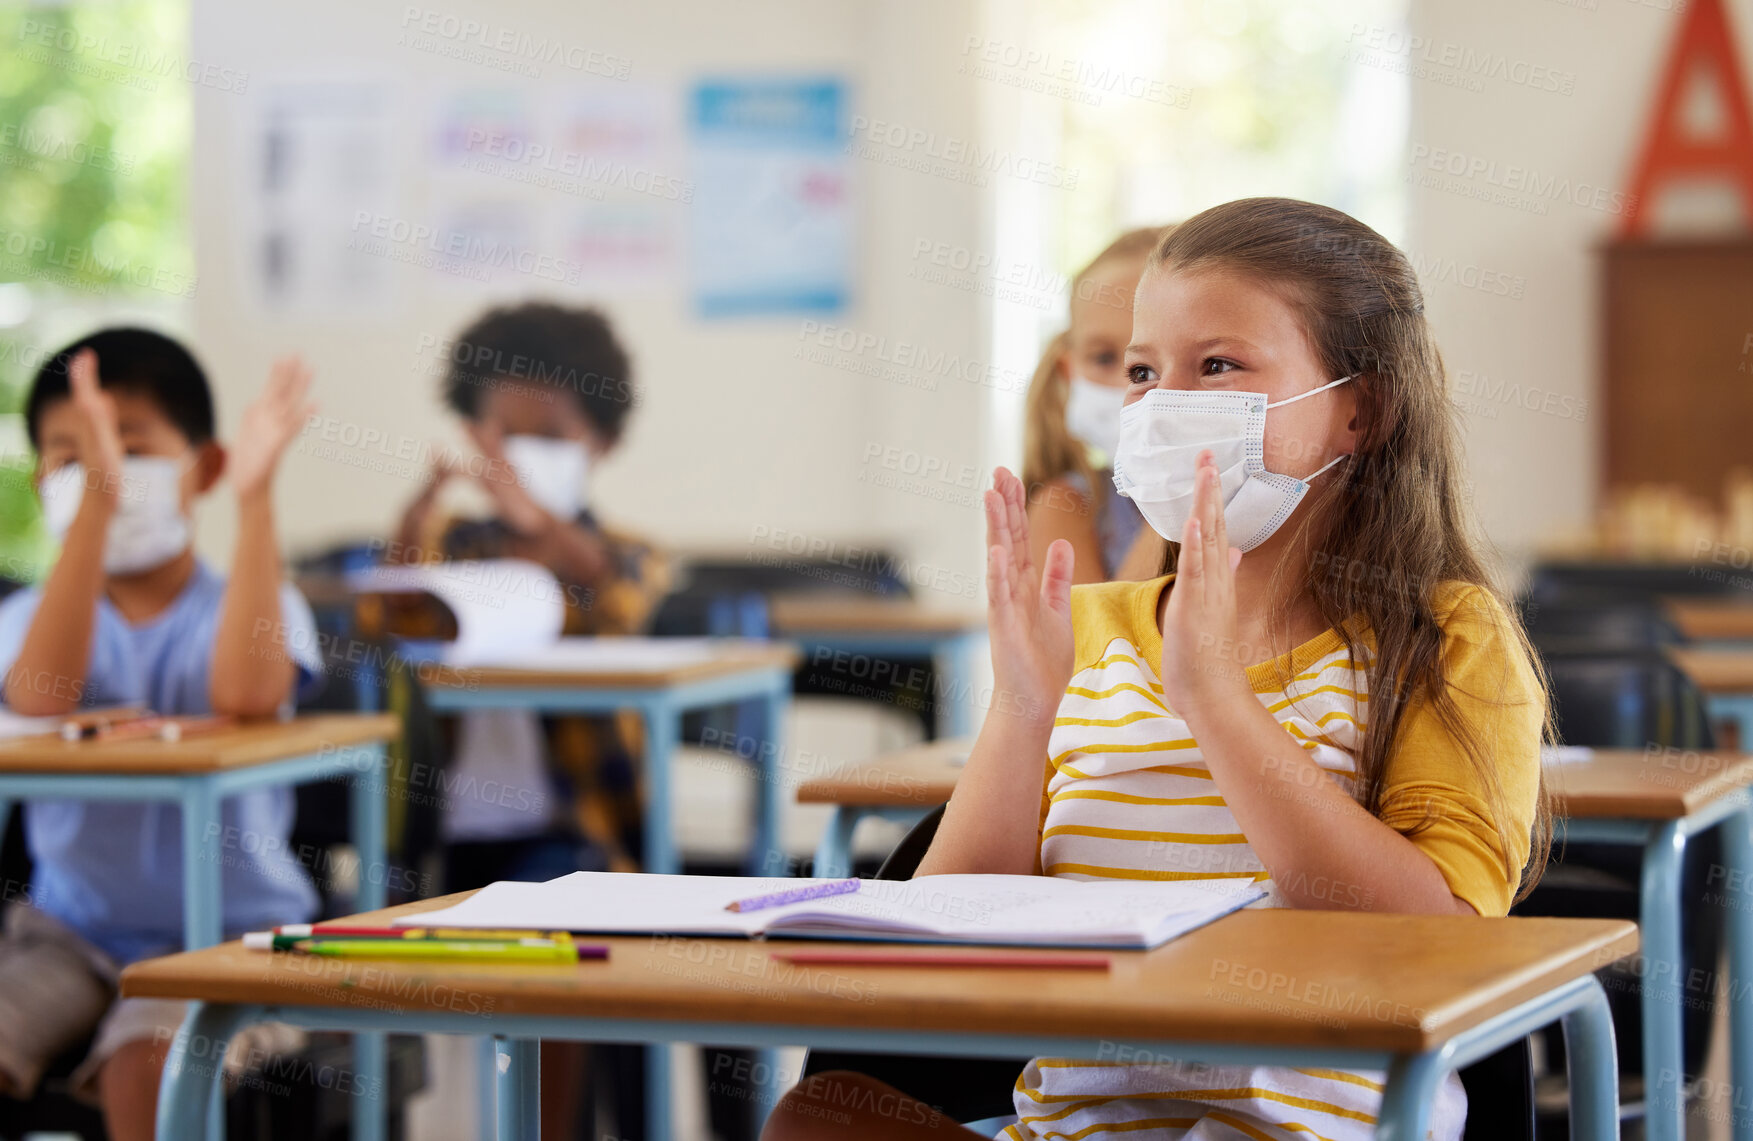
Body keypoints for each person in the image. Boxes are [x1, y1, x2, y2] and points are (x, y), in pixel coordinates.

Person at [763, 198, 1551, 1140]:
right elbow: (953, 928)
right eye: (1142, 371)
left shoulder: (1446, 635)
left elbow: (1434, 941)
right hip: (1078, 1128)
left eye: (1216, 365)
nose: (1163, 402)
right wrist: (1020, 708)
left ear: (1358, 410)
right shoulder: (1094, 627)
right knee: (816, 1119)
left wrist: (1214, 698)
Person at [0, 328, 322, 1141]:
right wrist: (97, 505)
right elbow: (39, 699)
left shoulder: (253, 604)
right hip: (67, 936)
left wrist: (256, 502)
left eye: (126, 447)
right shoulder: (24, 621)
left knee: (152, 1064)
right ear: (43, 479)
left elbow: (246, 692)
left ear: (204, 468)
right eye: (69, 456)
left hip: (227, 942)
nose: (98, 468)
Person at [390, 300, 667, 1137]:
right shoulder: (453, 544)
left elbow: (617, 599)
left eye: (550, 438)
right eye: (503, 439)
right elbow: (388, 617)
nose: (520, 462)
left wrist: (535, 521)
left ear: (603, 443)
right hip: (439, 838)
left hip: (573, 837)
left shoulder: (620, 551)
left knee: (553, 929)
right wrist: (419, 513)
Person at [1022, 227, 1170, 583]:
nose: (1129, 388)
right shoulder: (1066, 509)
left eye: (1147, 368)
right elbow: (1105, 636)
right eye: (1104, 358)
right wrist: (1177, 497)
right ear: (1068, 370)